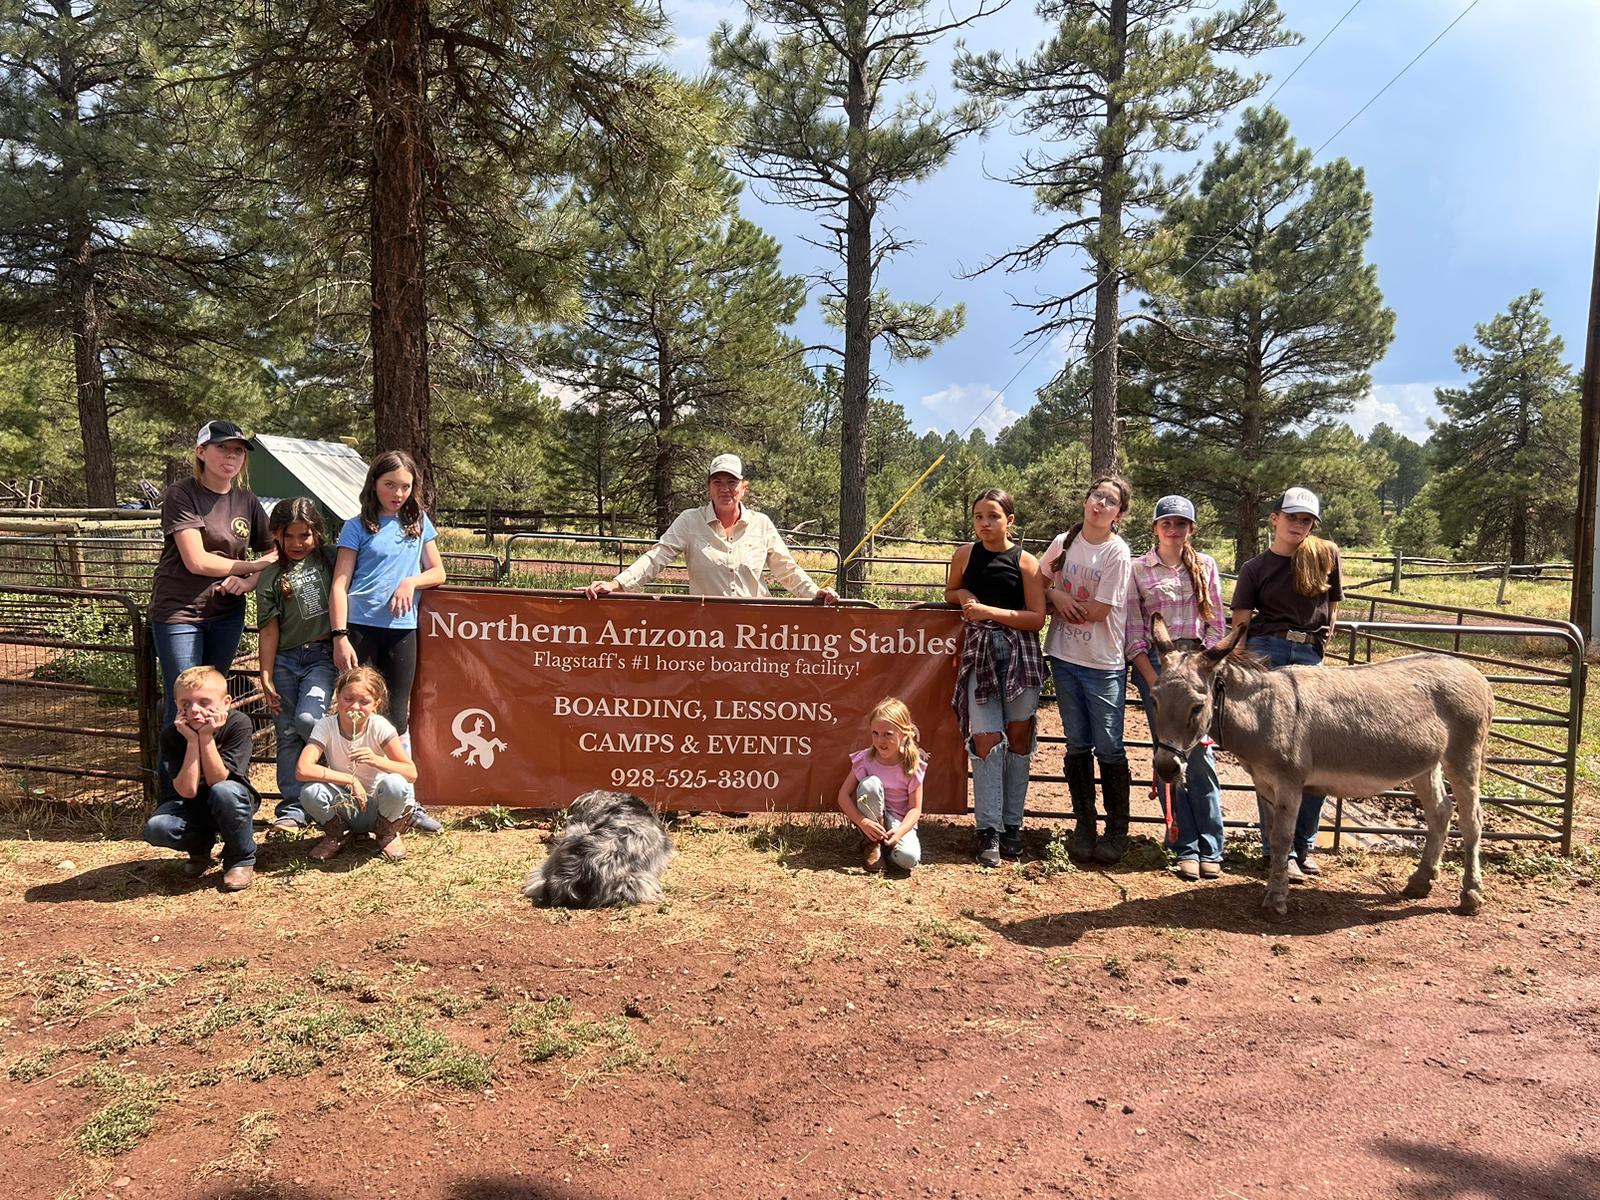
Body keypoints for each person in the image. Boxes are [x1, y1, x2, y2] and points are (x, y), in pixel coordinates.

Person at [1230, 486, 1343, 882]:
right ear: (1274, 518)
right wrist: (1241, 667)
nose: (1298, 525)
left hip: (1308, 653)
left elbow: (1332, 604)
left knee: (1317, 755)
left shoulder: (1325, 557)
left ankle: (1303, 845)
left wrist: (1324, 638)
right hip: (1268, 653)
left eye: (1306, 520)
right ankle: (1277, 849)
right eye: (1292, 517)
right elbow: (1241, 621)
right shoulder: (1255, 568)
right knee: (1272, 759)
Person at [330, 450, 446, 832]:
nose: (398, 493)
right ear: (374, 484)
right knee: (356, 711)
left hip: (402, 628)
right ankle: (353, 800)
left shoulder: (418, 523)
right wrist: (340, 635)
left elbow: (438, 572)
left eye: (405, 486)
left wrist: (410, 581)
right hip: (361, 627)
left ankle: (404, 804)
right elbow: (340, 583)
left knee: (397, 715)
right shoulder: (357, 526)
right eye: (389, 485)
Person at [1126, 495, 1228, 881]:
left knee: (1200, 754)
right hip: (1158, 665)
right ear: (1155, 528)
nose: (1174, 529)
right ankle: (1184, 844)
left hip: (1198, 667)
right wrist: (1154, 681)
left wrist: (1207, 668)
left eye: (1181, 523)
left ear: (1191, 529)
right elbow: (1134, 629)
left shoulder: (1205, 566)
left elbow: (1216, 620)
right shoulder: (1139, 569)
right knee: (1170, 756)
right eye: (1167, 523)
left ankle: (1211, 845)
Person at [149, 420, 275, 725]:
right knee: (185, 700)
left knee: (213, 699)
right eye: (223, 448)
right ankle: (175, 773)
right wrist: (251, 566)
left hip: (226, 613)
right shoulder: (182, 494)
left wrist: (248, 583)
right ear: (201, 451)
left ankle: (213, 771)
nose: (231, 456)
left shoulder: (246, 499)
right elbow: (197, 561)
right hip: (180, 611)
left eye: (238, 451)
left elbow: (275, 551)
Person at [946, 488, 1047, 867]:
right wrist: (966, 595)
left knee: (1019, 740)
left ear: (1010, 521)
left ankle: (1012, 825)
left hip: (1021, 655)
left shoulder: (1026, 563)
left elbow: (1036, 617)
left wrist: (990, 611)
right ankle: (988, 829)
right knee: (986, 738)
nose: (985, 524)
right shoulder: (964, 555)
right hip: (980, 654)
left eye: (993, 516)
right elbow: (951, 591)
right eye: (978, 517)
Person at [584, 454, 839, 603]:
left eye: (731, 482)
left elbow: (787, 569)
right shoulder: (689, 521)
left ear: (743, 487)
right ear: (709, 487)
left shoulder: (761, 524)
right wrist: (617, 585)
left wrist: (816, 593)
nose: (724, 488)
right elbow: (656, 557)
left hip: (757, 631)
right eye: (717, 482)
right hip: (708, 632)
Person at [1039, 475, 1134, 864]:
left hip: (1102, 662)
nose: (1100, 505)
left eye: (1110, 502)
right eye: (1097, 496)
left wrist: (1058, 601)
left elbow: (1098, 611)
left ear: (1119, 514)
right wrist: (1056, 594)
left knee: (1109, 744)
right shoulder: (1064, 542)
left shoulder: (1117, 552)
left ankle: (1117, 830)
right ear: (1085, 499)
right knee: (1077, 742)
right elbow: (1040, 581)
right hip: (1065, 657)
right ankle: (1084, 825)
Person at [140, 665, 261, 891]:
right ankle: (200, 848)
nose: (195, 710)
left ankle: (241, 858)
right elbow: (187, 791)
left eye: (204, 703)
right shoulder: (172, 735)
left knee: (224, 792)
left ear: (226, 703)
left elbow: (218, 781)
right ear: (175, 705)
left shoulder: (238, 724)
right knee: (158, 827)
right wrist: (192, 741)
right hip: (191, 805)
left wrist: (205, 738)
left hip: (231, 803)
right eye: (185, 704)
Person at [257, 498, 337, 832]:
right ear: (276, 536)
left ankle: (333, 786)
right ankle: (292, 809)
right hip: (286, 660)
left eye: (304, 535)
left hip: (322, 655)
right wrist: (265, 674)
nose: (296, 543)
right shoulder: (271, 575)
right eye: (288, 536)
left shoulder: (330, 561)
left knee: (309, 720)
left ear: (317, 533)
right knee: (287, 731)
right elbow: (269, 629)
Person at [297, 666, 419, 862]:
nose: (354, 707)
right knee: (310, 791)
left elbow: (411, 772)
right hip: (346, 804)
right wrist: (350, 781)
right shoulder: (326, 725)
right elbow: (303, 769)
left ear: (375, 705)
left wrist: (376, 760)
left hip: (378, 806)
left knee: (396, 784)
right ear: (338, 696)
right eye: (348, 699)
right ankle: (337, 834)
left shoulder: (380, 726)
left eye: (364, 702)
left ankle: (386, 832)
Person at [836, 697, 926, 872]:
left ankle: (887, 848)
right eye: (875, 733)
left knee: (909, 859)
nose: (880, 740)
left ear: (904, 733)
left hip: (899, 823)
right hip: (873, 817)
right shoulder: (865, 759)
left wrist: (900, 832)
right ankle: (871, 843)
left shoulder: (912, 763)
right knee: (871, 784)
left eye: (888, 734)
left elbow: (915, 809)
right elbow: (843, 796)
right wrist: (863, 823)